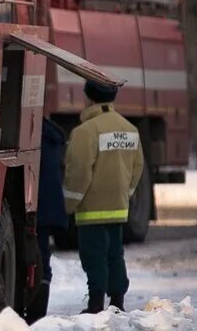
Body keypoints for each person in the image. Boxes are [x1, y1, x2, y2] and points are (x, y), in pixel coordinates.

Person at [63, 80, 144, 314]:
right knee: (115, 254)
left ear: (89, 98)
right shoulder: (130, 129)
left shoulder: (84, 132)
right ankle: (117, 301)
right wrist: (125, 193)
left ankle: (95, 303)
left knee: (94, 255)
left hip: (91, 208)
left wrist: (70, 203)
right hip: (117, 207)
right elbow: (137, 167)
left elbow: (78, 172)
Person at [25, 117, 68, 324]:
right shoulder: (53, 135)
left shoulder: (31, 132)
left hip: (37, 205)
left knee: (35, 256)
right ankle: (38, 312)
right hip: (50, 206)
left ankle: (34, 311)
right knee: (43, 256)